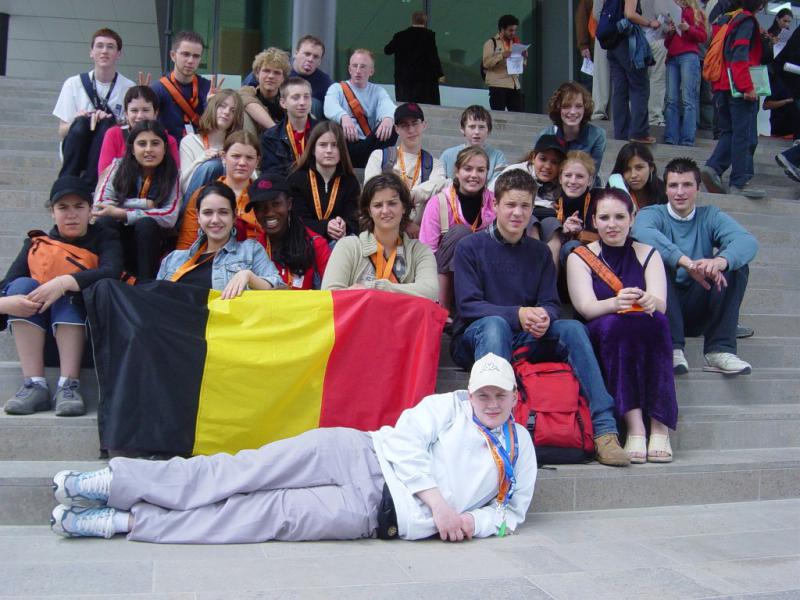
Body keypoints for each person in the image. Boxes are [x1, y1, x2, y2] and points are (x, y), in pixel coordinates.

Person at [50, 352, 536, 543]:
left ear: (515, 398)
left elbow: (511, 513)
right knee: (239, 471)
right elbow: (408, 442)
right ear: (470, 392)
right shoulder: (449, 405)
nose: (492, 404)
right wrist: (441, 506)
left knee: (253, 517)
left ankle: (124, 522)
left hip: (372, 511)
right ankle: (116, 481)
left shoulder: (522, 449)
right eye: (484, 395)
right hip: (357, 452)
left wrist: (472, 522)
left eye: (501, 395)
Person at [450, 168, 630, 467]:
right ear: (495, 205)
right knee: (496, 325)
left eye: (525, 206)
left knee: (571, 328)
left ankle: (604, 430)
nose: (517, 212)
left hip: (524, 336)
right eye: (510, 204)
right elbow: (468, 306)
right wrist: (517, 314)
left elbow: (550, 303)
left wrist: (544, 316)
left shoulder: (540, 252)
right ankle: (494, 432)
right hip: (477, 337)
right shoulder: (470, 246)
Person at [566, 187, 677, 463]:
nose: (612, 224)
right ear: (594, 221)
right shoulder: (580, 256)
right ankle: (635, 425)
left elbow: (661, 304)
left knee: (659, 322)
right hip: (604, 327)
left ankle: (660, 425)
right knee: (617, 326)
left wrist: (648, 300)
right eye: (604, 218)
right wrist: (616, 303)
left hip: (644, 326)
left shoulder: (648, 253)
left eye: (619, 217)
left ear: (632, 218)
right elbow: (586, 307)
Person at [1, 176, 122, 417]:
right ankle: (34, 384)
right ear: (52, 212)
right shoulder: (36, 244)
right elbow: (7, 283)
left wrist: (64, 282)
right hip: (38, 335)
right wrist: (6, 303)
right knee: (21, 285)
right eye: (63, 207)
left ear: (90, 211)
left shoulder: (105, 238)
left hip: (83, 338)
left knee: (68, 293)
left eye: (79, 206)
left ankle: (69, 385)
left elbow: (112, 271)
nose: (71, 215)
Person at [632, 157, 758, 376]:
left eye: (687, 185)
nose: (680, 192)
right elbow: (641, 232)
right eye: (673, 185)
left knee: (736, 265)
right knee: (655, 259)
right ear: (666, 189)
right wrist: (686, 262)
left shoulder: (710, 216)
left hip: (698, 304)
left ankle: (720, 350)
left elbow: (748, 242)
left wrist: (720, 261)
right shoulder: (652, 213)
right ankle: (672, 348)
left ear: (698, 188)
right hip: (663, 306)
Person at [322, 173, 438, 301]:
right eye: (377, 205)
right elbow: (328, 295)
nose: (385, 211)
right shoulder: (348, 246)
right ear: (369, 211)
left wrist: (374, 288)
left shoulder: (420, 251)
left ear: (404, 207)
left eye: (392, 203)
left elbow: (431, 292)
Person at [157, 182, 283, 294]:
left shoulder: (251, 250)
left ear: (234, 216)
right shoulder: (173, 259)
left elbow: (280, 289)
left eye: (223, 212)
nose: (215, 220)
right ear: (198, 217)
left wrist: (249, 277)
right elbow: (156, 302)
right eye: (208, 213)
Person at [700, 0, 769, 199]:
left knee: (729, 132)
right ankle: (739, 182)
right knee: (742, 134)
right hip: (738, 87)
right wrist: (746, 86)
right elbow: (740, 55)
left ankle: (713, 168)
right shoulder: (746, 21)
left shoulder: (727, 19)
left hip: (721, 85)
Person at [94, 121, 180, 279]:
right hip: (120, 235)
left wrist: (122, 212)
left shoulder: (172, 174)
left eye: (155, 143)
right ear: (132, 149)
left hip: (151, 240)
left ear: (165, 148)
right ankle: (108, 277)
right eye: (142, 144)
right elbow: (101, 206)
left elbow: (170, 216)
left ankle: (145, 284)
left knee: (145, 224)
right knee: (105, 221)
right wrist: (145, 204)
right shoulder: (118, 167)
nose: (149, 149)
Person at [53, 28, 134, 188]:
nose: (104, 51)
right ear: (91, 52)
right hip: (78, 144)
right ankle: (66, 184)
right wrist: (79, 120)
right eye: (99, 46)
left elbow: (131, 129)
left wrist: (113, 121)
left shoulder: (129, 87)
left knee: (106, 126)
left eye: (110, 47)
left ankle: (92, 186)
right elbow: (62, 131)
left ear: (118, 54)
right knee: (81, 123)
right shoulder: (73, 84)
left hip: (109, 150)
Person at [419, 147, 495, 310]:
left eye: (480, 170)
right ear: (457, 172)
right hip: (444, 272)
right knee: (462, 233)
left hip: (481, 269)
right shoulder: (438, 202)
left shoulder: (495, 202)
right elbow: (426, 251)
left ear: (487, 173)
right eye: (468, 169)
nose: (474, 175)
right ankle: (442, 309)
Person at [364, 103, 447, 234]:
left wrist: (410, 195)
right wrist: (404, 222)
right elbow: (370, 192)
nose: (411, 130)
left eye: (415, 123)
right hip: (383, 228)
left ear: (424, 125)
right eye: (404, 125)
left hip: (418, 233)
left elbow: (440, 184)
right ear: (396, 129)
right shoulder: (379, 156)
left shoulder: (435, 164)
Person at [177, 131, 261, 249]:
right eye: (236, 156)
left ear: (257, 161)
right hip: (211, 257)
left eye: (249, 158)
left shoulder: (263, 197)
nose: (242, 163)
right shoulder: (202, 195)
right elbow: (186, 246)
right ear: (224, 157)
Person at [244, 174, 330, 290]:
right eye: (261, 207)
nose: (269, 213)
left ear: (289, 204)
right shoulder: (253, 250)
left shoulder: (315, 244)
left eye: (276, 204)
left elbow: (332, 292)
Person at [495, 135, 567, 266]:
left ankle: (550, 276)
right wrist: (547, 205)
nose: (547, 166)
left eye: (554, 162)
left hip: (547, 222)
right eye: (543, 159)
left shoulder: (562, 181)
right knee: (531, 222)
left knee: (554, 228)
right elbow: (493, 198)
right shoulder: (516, 172)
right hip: (517, 223)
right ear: (533, 157)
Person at [288, 122, 361, 244]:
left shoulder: (350, 182)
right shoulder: (297, 179)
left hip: (340, 243)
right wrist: (325, 227)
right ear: (313, 150)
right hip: (304, 243)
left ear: (342, 150)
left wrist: (345, 226)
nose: (329, 150)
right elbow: (298, 220)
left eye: (335, 145)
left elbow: (354, 220)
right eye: (323, 145)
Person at [324, 49, 397, 168]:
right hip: (346, 145)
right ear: (349, 69)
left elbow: (389, 107)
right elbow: (329, 106)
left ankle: (371, 162)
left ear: (371, 71)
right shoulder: (337, 88)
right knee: (333, 127)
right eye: (354, 66)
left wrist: (388, 118)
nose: (358, 71)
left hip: (369, 145)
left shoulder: (378, 91)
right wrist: (343, 117)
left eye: (363, 67)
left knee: (393, 126)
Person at [606, 0, 659, 143]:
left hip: (613, 43)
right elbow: (629, 14)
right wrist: (649, 23)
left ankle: (621, 133)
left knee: (620, 89)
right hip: (628, 42)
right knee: (640, 86)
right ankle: (638, 133)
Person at [178, 89, 244, 204]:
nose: (226, 112)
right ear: (213, 108)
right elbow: (183, 188)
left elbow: (251, 180)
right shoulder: (189, 141)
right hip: (194, 208)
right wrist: (201, 160)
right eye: (222, 106)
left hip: (228, 206)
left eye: (233, 111)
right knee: (212, 166)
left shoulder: (237, 147)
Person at [97, 86, 180, 177]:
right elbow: (104, 174)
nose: (140, 116)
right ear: (126, 113)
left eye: (146, 110)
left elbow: (173, 175)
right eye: (134, 110)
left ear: (155, 113)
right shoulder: (114, 135)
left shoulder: (168, 140)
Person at [534, 81, 607, 178]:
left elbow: (592, 174)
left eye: (578, 106)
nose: (573, 112)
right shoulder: (545, 135)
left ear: (585, 109)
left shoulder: (597, 135)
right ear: (558, 108)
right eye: (566, 106)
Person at [151, 31, 212, 141]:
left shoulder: (208, 87)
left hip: (200, 149)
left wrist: (213, 106)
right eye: (186, 54)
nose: (190, 61)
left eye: (196, 56)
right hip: (168, 148)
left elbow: (215, 127)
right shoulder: (158, 89)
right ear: (173, 56)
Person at [663, 0, 707, 146]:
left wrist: (688, 28)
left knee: (688, 99)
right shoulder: (675, 12)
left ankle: (687, 139)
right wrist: (670, 32)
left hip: (688, 55)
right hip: (673, 56)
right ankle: (671, 137)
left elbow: (703, 36)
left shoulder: (695, 12)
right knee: (671, 99)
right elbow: (667, 43)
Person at [260, 77, 318, 177]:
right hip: (285, 185)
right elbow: (271, 175)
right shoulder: (270, 137)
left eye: (306, 97)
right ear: (283, 103)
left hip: (317, 185)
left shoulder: (324, 133)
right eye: (296, 97)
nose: (302, 102)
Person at [384, 10, 444, 105]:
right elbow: (433, 57)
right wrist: (439, 74)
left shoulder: (400, 36)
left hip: (404, 79)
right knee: (423, 107)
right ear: (425, 21)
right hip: (423, 80)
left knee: (406, 106)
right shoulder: (429, 36)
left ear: (412, 20)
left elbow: (387, 50)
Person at [439, 105, 507, 182]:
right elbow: (440, 183)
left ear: (489, 130)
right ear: (462, 129)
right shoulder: (447, 155)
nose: (477, 132)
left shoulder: (498, 157)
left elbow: (498, 185)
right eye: (472, 127)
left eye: (481, 127)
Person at [239, 47, 290, 137]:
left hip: (286, 143)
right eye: (266, 71)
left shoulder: (288, 98)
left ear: (283, 78)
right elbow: (247, 102)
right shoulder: (247, 91)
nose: (271, 76)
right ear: (257, 74)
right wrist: (277, 132)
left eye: (277, 73)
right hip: (255, 142)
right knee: (244, 115)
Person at [482, 14, 526, 112]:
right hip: (498, 85)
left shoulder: (516, 43)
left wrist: (524, 57)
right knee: (499, 116)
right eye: (510, 30)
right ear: (502, 29)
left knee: (519, 115)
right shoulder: (491, 43)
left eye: (515, 30)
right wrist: (502, 55)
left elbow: (521, 66)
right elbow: (486, 63)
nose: (513, 33)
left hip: (514, 84)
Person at [609, 142, 666, 209]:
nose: (633, 175)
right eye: (627, 169)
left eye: (639, 168)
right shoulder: (611, 196)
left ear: (651, 168)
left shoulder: (665, 193)